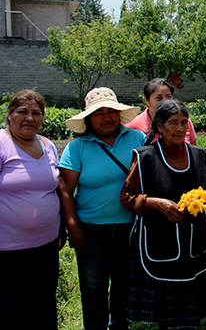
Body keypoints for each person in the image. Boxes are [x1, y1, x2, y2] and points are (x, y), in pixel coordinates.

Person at [120, 100, 206, 329]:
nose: (179, 128)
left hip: (194, 242)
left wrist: (201, 199)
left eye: (184, 122)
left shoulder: (200, 155)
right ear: (159, 127)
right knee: (165, 307)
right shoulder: (145, 157)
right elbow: (127, 196)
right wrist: (154, 203)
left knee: (189, 305)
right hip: (158, 241)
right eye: (172, 123)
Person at [59, 87, 146, 330]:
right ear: (88, 119)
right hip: (91, 231)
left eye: (111, 111)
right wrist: (73, 227)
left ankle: (119, 326)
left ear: (119, 114)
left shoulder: (137, 139)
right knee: (93, 288)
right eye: (99, 113)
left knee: (124, 286)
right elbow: (65, 190)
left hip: (129, 228)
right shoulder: (77, 148)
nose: (106, 117)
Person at [0, 90, 64, 329]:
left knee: (43, 306)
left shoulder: (48, 146)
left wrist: (62, 228)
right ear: (9, 115)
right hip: (7, 249)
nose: (29, 118)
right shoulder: (2, 143)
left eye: (36, 113)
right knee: (10, 310)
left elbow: (57, 188)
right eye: (22, 112)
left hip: (45, 246)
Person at [126, 78, 196, 144]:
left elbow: (193, 151)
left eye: (168, 97)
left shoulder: (183, 120)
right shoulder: (133, 127)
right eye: (159, 98)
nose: (165, 102)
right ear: (146, 101)